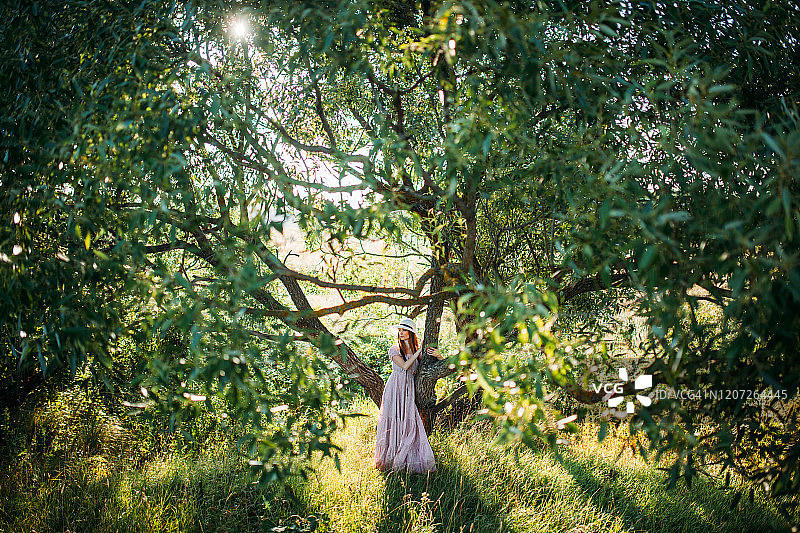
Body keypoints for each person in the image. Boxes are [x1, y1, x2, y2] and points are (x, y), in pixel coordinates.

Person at [374, 316, 446, 473]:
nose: (401, 333)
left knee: (409, 423)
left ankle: (408, 460)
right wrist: (419, 350)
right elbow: (406, 366)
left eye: (404, 330)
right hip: (394, 389)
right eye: (399, 330)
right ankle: (389, 460)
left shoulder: (418, 354)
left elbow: (442, 366)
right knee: (394, 421)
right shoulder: (394, 350)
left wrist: (439, 355)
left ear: (411, 333)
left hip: (408, 391)